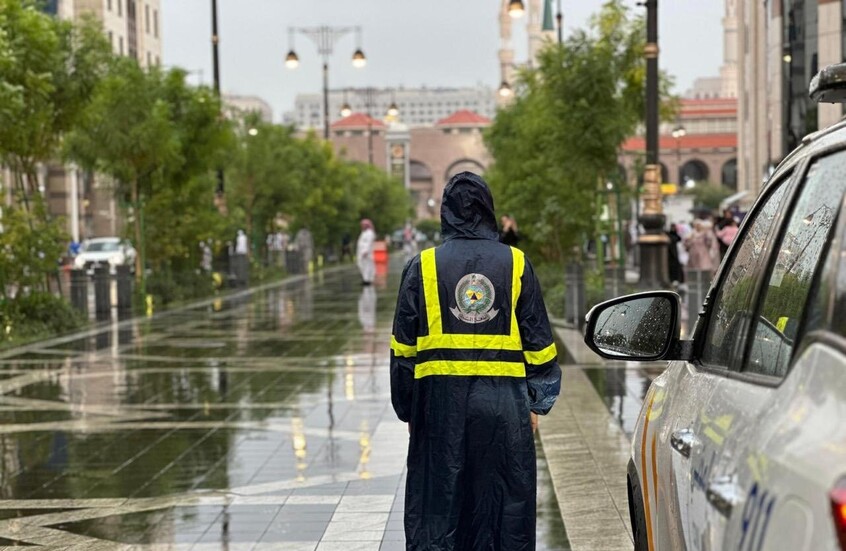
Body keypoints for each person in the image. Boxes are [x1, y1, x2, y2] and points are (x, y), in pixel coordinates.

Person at [390, 172, 561, 551]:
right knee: (503, 506)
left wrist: (408, 408)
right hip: (504, 408)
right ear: (489, 210)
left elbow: (403, 348)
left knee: (440, 506)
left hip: (438, 406)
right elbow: (539, 345)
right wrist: (537, 401)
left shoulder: (423, 266)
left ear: (446, 213)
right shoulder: (515, 263)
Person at [356, 219, 376, 285]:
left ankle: (367, 280)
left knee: (367, 266)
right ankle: (366, 279)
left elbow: (368, 243)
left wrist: (365, 251)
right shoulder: (364, 232)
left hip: (366, 253)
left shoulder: (369, 233)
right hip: (362, 252)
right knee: (362, 265)